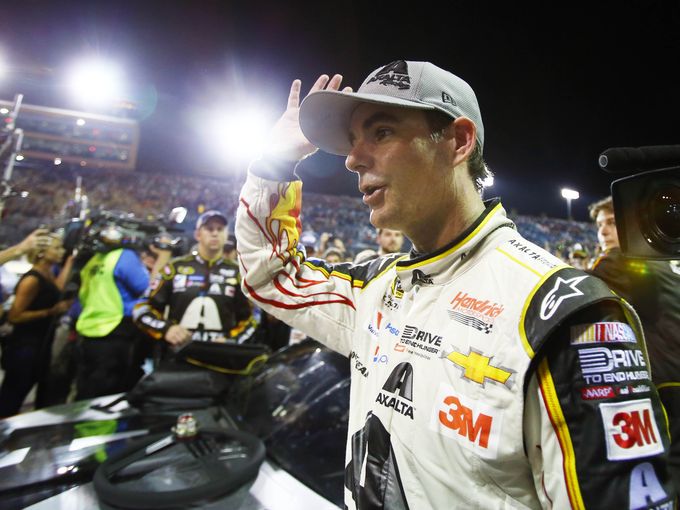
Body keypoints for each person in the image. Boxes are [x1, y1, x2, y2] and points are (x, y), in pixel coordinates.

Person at [235, 60, 675, 508]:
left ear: (459, 141)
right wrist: (273, 164)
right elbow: (273, 276)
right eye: (352, 141)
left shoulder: (563, 314)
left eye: (381, 132)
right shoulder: (375, 288)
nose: (352, 158)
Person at [588, 195, 680, 491]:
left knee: (667, 473)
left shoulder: (620, 259)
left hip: (666, 382)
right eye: (600, 224)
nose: (603, 231)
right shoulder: (664, 257)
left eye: (612, 223)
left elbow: (576, 301)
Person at [133, 210, 255, 354]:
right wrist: (166, 329)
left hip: (221, 357)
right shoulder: (174, 268)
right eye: (209, 229)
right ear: (197, 234)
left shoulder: (239, 273)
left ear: (226, 235)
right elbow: (142, 308)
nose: (215, 233)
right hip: (178, 357)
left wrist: (231, 340)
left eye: (220, 229)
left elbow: (253, 318)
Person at [0, 234, 73, 417]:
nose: (61, 252)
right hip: (24, 346)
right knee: (12, 395)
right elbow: (15, 316)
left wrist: (71, 262)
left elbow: (58, 289)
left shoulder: (48, 275)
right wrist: (50, 312)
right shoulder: (31, 279)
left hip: (40, 343)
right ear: (41, 252)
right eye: (56, 248)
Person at [74, 243, 151, 400]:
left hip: (90, 331)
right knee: (109, 395)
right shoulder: (124, 256)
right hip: (115, 332)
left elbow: (83, 296)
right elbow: (150, 289)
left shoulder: (94, 260)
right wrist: (163, 257)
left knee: (88, 390)